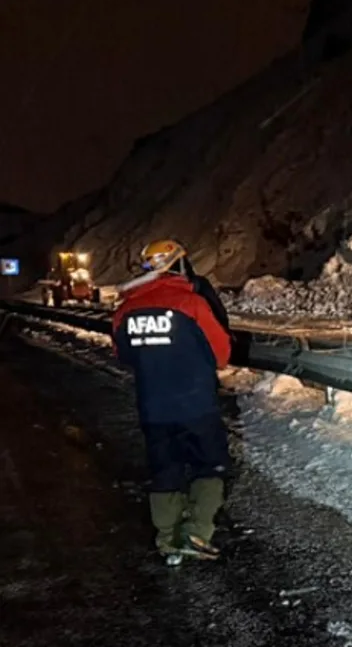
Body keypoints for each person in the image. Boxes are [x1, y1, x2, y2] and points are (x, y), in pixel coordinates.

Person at [112, 239, 232, 564]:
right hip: (196, 404)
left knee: (165, 469)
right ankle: (196, 531)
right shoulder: (191, 303)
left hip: (153, 406)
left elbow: (123, 354)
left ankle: (167, 539)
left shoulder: (125, 310)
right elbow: (221, 352)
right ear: (178, 264)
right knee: (210, 464)